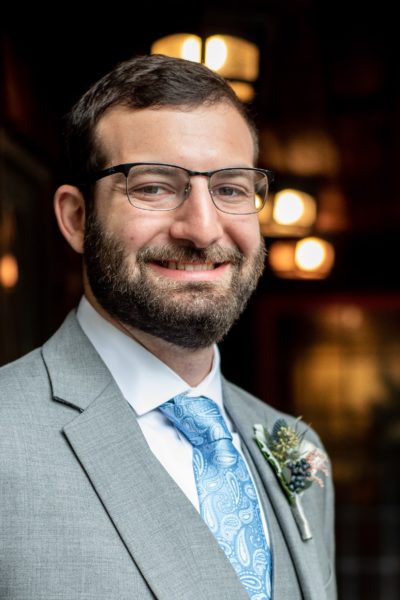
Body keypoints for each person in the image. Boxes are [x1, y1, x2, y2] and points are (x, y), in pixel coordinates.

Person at [0, 54, 336, 600]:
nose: (203, 229)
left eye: (230, 188)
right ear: (76, 219)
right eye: (154, 186)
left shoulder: (297, 446)